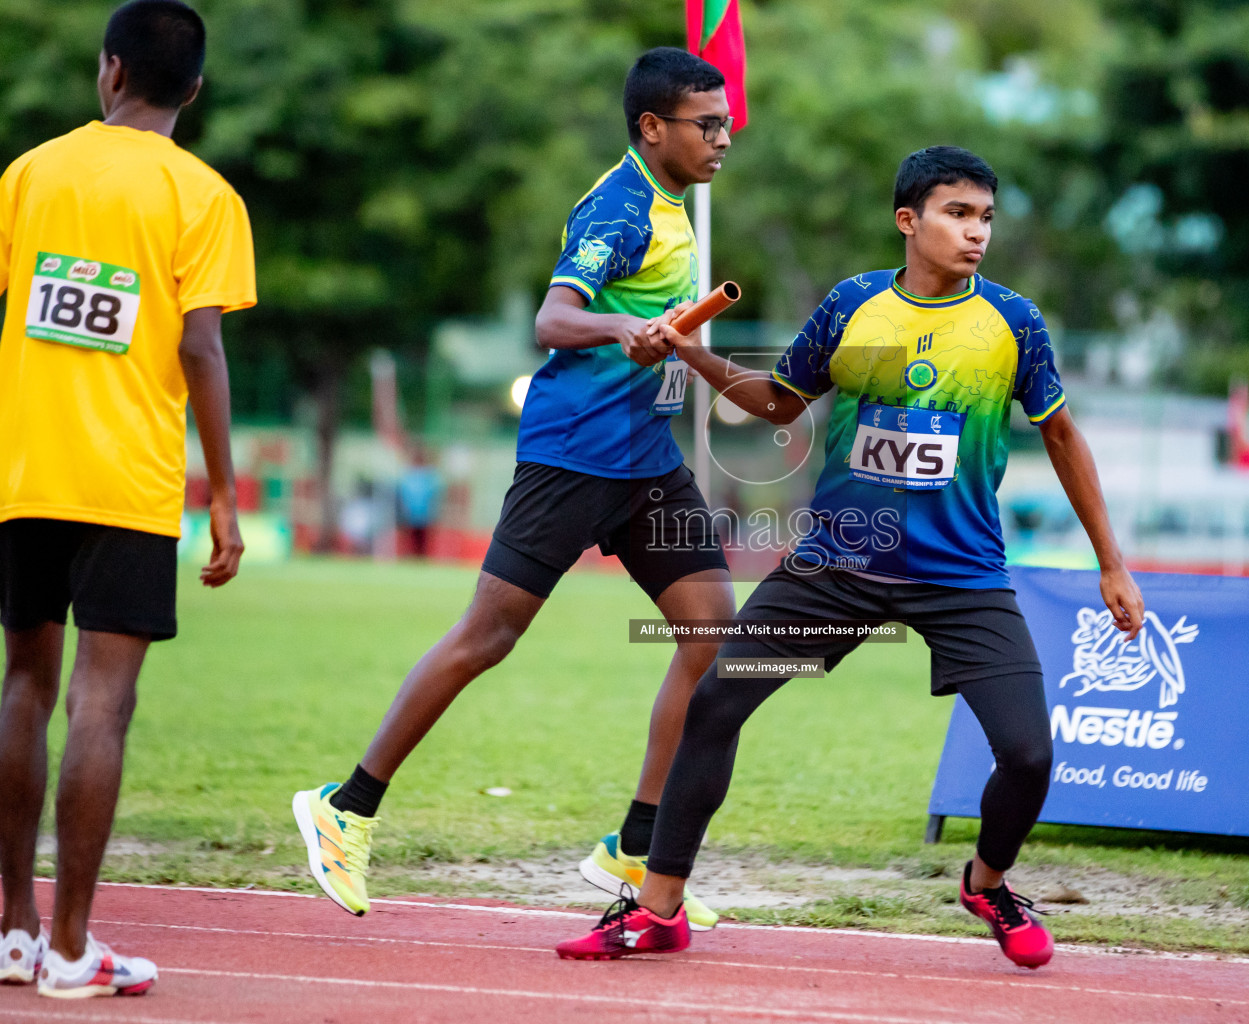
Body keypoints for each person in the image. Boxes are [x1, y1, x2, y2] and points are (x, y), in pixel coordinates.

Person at [556, 146, 1145, 968]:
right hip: (834, 567)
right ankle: (659, 908)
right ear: (909, 221)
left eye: (985, 218)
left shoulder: (1015, 322)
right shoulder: (852, 305)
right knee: (715, 706)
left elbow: (1062, 436)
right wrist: (691, 352)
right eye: (957, 214)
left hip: (962, 578)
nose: (976, 233)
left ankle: (987, 881)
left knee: (1029, 754)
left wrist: (1111, 563)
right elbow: (777, 403)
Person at [292, 47, 736, 930]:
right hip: (573, 457)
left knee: (714, 636)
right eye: (707, 124)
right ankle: (346, 804)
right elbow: (553, 318)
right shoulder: (618, 206)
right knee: (487, 637)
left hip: (647, 461)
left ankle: (635, 848)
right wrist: (621, 328)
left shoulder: (676, 203)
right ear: (653, 128)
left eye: (726, 122)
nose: (725, 138)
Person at [0, 0, 253, 997]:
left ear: (109, 73)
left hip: (24, 473)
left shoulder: (27, 175)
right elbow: (200, 344)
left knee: (24, 683)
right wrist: (225, 493)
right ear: (192, 88)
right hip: (127, 483)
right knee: (102, 699)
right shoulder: (204, 195)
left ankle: (14, 930)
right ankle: (70, 951)